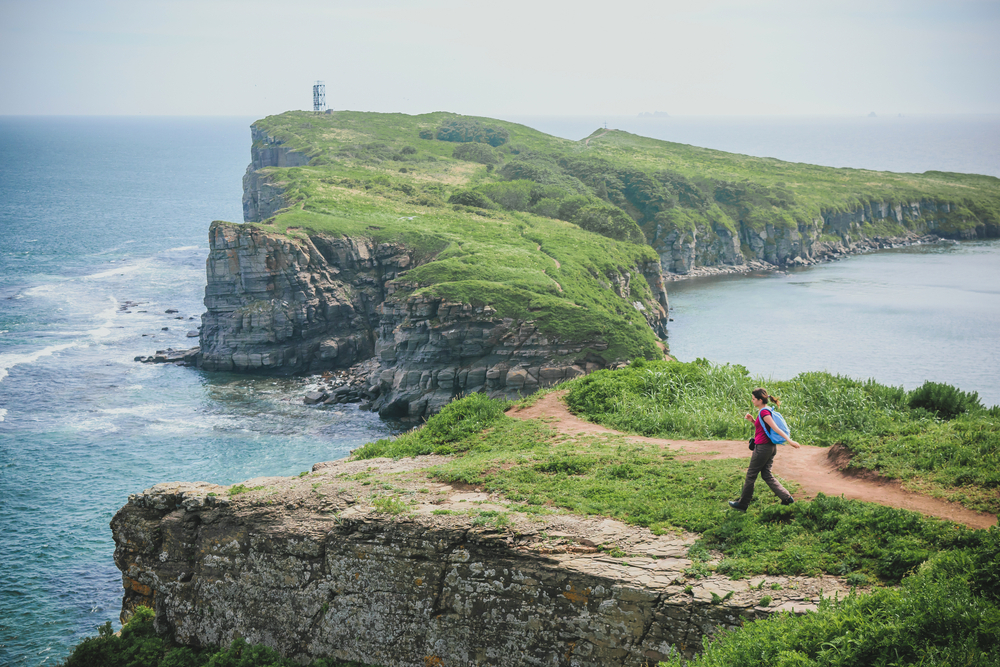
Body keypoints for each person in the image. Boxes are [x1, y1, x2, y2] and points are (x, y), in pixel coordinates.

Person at [729, 387, 801, 511]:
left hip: (763, 448)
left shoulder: (764, 412)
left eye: (753, 399)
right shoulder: (765, 411)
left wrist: (790, 441)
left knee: (751, 475)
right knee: (766, 474)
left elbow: (775, 428)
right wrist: (753, 421)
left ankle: (743, 504)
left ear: (760, 400)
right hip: (770, 448)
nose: (752, 401)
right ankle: (787, 498)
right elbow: (764, 429)